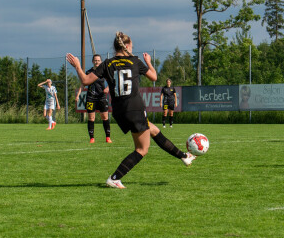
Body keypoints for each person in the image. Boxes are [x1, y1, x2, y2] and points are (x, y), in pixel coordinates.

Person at [67, 31, 196, 189]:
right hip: (135, 108)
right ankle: (115, 177)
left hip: (120, 111)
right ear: (127, 46)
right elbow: (154, 77)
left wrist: (78, 66)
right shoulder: (134, 61)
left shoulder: (108, 63)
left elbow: (85, 80)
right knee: (142, 149)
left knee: (153, 130)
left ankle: (184, 156)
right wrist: (148, 62)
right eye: (132, 46)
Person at [75, 54, 112, 143]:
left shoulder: (104, 72)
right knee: (91, 118)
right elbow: (83, 84)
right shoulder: (88, 72)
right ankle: (92, 138)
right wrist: (78, 95)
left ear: (101, 62)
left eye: (98, 60)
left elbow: (111, 82)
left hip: (102, 97)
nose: (97, 62)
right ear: (92, 61)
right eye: (95, 60)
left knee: (104, 117)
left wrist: (107, 88)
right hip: (91, 97)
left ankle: (108, 138)